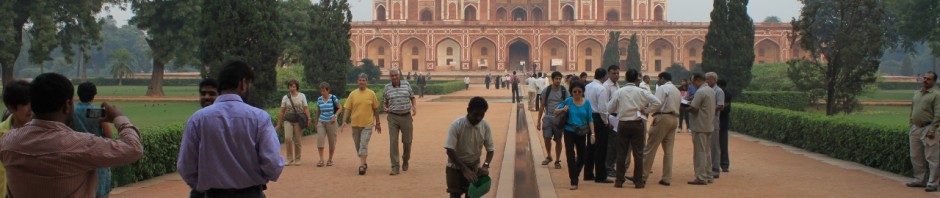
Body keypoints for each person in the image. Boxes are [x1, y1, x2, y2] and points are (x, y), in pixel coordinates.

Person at [1, 73, 143, 197]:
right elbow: (133, 148)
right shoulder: (81, 144)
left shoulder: (8, 141)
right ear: (67, 105)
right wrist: (120, 118)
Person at [178, 61, 284, 197]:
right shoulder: (259, 118)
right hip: (250, 193)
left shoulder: (198, 119)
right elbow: (273, 164)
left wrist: (201, 185)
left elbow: (185, 166)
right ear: (243, 83)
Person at [607, 68, 661, 189]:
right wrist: (646, 110)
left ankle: (619, 180)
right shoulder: (641, 91)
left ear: (625, 78)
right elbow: (657, 102)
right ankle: (638, 181)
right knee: (638, 153)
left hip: (623, 123)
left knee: (621, 152)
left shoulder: (620, 91)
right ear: (637, 78)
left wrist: (619, 109)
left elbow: (609, 108)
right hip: (637, 123)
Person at [70, 82, 116, 198]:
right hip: (97, 154)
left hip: (77, 154)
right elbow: (108, 134)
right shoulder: (95, 111)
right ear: (93, 95)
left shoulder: (72, 111)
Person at [444, 96, 495, 198]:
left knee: (472, 195)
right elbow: (449, 150)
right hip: (455, 167)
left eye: (482, 115)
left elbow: (490, 150)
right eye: (476, 114)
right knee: (455, 194)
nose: (479, 118)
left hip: (474, 167)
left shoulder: (485, 126)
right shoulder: (457, 125)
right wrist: (464, 169)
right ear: (468, 110)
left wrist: (485, 165)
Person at [641, 72, 681, 186]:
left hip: (662, 117)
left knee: (650, 148)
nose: (658, 81)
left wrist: (646, 110)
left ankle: (642, 176)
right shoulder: (676, 90)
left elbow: (657, 104)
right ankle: (666, 178)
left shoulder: (663, 88)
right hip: (673, 119)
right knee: (668, 151)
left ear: (663, 78)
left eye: (659, 79)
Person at [555, 80, 594, 190]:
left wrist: (593, 133)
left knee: (582, 156)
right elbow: (555, 111)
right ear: (571, 92)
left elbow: (590, 119)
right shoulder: (568, 101)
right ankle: (574, 181)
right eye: (574, 91)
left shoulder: (587, 103)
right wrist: (563, 108)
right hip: (569, 131)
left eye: (579, 91)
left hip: (581, 132)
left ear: (583, 92)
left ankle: (575, 173)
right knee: (570, 156)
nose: (577, 93)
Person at [342, 73, 383, 175]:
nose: (361, 82)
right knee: (358, 146)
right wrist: (343, 121)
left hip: (367, 124)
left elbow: (376, 109)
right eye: (360, 80)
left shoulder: (371, 94)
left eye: (363, 80)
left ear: (366, 82)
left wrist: (377, 123)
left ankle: (361, 167)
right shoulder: (353, 94)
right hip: (355, 124)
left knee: (363, 144)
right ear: (357, 81)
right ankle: (364, 162)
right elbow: (347, 108)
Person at [908, 71, 940, 192]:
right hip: (916, 127)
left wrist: (933, 129)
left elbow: (938, 113)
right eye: (924, 78)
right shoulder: (917, 93)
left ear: (934, 81)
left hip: (928, 128)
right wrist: (911, 124)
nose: (925, 80)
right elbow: (912, 110)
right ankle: (919, 179)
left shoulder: (936, 95)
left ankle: (932, 182)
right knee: (915, 156)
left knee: (932, 157)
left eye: (929, 79)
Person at [0, 80, 32, 198]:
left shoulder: (42, 133)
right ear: (11, 108)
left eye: (32, 102)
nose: (31, 108)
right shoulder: (1, 134)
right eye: (25, 104)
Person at [384, 69, 417, 175]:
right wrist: (384, 107)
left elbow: (412, 97)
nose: (394, 77)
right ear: (390, 77)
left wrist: (414, 107)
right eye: (392, 75)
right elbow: (384, 102)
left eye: (396, 75)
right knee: (393, 141)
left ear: (399, 75)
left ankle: (405, 158)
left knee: (407, 141)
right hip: (393, 117)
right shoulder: (387, 87)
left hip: (406, 116)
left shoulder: (406, 84)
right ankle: (395, 166)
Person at [190, 78, 219, 198]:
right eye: (203, 93)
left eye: (212, 94)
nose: (207, 97)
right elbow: (187, 160)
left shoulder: (230, 122)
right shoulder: (196, 121)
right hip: (202, 190)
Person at [685, 73, 716, 185]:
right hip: (708, 125)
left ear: (698, 80)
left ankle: (701, 177)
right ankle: (708, 174)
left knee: (699, 152)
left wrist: (684, 106)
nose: (693, 85)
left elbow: (694, 108)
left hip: (700, 125)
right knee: (707, 151)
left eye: (693, 82)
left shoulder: (700, 92)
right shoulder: (711, 90)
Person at [585, 68, 614, 184]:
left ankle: (588, 174)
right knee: (601, 148)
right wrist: (606, 122)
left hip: (589, 118)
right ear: (605, 76)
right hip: (598, 118)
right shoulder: (601, 88)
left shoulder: (587, 86)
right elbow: (602, 108)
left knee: (590, 146)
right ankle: (600, 176)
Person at [276, 79, 312, 166]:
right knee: (288, 138)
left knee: (298, 140)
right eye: (291, 86)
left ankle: (298, 158)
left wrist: (309, 118)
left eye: (294, 86)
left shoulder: (302, 96)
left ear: (297, 87)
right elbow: (282, 111)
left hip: (298, 120)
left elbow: (306, 108)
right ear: (288, 87)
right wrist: (278, 124)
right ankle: (289, 158)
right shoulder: (285, 97)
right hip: (288, 119)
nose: (292, 88)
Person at [537, 71, 569, 170]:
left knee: (558, 140)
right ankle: (549, 156)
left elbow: (568, 105)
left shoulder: (564, 91)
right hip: (548, 117)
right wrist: (538, 120)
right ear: (552, 79)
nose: (558, 80)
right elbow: (542, 106)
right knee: (546, 137)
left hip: (559, 119)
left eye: (560, 79)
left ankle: (557, 160)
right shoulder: (547, 90)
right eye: (556, 79)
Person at [316, 82, 342, 167]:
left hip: (332, 122)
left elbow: (340, 108)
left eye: (324, 91)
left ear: (328, 90)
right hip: (321, 122)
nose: (322, 93)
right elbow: (319, 111)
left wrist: (335, 115)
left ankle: (330, 159)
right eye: (321, 91)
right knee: (320, 139)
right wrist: (316, 121)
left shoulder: (333, 98)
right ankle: (321, 159)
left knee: (332, 142)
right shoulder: (319, 99)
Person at [705, 72, 725, 179]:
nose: (707, 81)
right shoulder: (706, 90)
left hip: (714, 120)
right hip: (706, 120)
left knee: (714, 145)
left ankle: (715, 169)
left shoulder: (718, 91)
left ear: (714, 80)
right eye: (706, 79)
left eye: (709, 79)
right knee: (706, 145)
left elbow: (720, 106)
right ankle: (708, 167)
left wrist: (709, 108)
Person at [604, 65, 621, 177]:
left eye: (617, 73)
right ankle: (608, 167)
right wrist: (607, 120)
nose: (616, 75)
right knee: (611, 144)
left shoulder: (617, 85)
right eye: (613, 73)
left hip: (617, 117)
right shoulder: (606, 86)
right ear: (608, 74)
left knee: (615, 144)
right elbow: (605, 105)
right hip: (611, 117)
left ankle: (611, 166)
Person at [717, 79, 732, 172]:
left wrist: (719, 107)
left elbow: (726, 110)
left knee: (723, 145)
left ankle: (724, 165)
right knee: (714, 145)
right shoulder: (714, 93)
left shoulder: (727, 95)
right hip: (715, 122)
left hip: (722, 123)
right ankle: (715, 164)